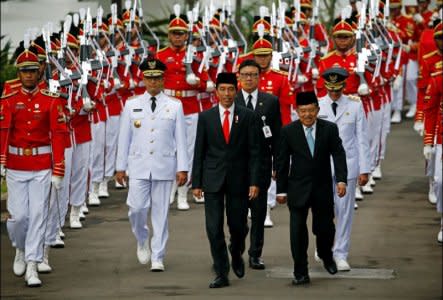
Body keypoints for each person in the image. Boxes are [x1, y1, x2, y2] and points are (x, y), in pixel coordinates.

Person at [0, 41, 67, 287]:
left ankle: (32, 265)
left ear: (39, 72)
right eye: (24, 70)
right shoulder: (8, 99)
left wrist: (58, 168)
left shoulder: (51, 99)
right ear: (18, 73)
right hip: (17, 165)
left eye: (32, 70)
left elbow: (58, 134)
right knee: (18, 218)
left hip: (41, 164)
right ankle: (19, 247)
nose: (29, 74)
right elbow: (3, 131)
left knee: (38, 214)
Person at [115, 58, 188, 272]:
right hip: (138, 165)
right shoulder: (132, 104)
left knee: (161, 213)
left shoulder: (175, 105)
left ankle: (158, 255)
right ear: (143, 78)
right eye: (149, 78)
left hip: (164, 165)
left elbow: (181, 140)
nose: (153, 82)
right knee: (136, 209)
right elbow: (124, 138)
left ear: (163, 79)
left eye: (157, 78)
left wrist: (182, 168)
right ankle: (142, 238)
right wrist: (120, 167)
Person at [192, 72, 262, 288]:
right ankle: (222, 271)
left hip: (239, 179)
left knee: (238, 226)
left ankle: (236, 251)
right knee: (213, 228)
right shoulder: (206, 117)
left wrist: (254, 181)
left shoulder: (248, 116)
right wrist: (197, 183)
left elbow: (254, 152)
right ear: (216, 92)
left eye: (231, 89)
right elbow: (199, 151)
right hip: (212, 178)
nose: (227, 94)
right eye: (222, 89)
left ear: (236, 90)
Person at [276, 91, 347, 286]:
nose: (307, 115)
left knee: (325, 229)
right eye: (303, 111)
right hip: (297, 189)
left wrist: (341, 180)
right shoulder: (288, 131)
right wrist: (280, 190)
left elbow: (338, 154)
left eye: (311, 110)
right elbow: (282, 163)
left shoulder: (329, 129)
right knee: (297, 232)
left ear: (317, 110)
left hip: (322, 188)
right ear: (297, 111)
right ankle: (300, 271)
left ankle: (326, 256)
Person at [318, 68, 370, 271]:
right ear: (325, 86)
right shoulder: (317, 105)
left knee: (344, 211)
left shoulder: (355, 106)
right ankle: (324, 246)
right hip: (321, 166)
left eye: (337, 89)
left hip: (347, 165)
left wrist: (365, 169)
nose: (334, 93)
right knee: (323, 210)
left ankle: (340, 253)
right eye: (331, 89)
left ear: (344, 86)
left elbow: (362, 139)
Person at [235, 59, 282, 270]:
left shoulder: (270, 101)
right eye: (245, 74)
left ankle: (255, 254)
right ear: (239, 77)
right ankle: (236, 250)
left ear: (259, 77)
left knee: (259, 211)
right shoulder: (230, 98)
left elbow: (277, 135)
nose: (249, 78)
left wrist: (277, 164)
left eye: (253, 74)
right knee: (237, 215)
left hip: (261, 164)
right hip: (236, 166)